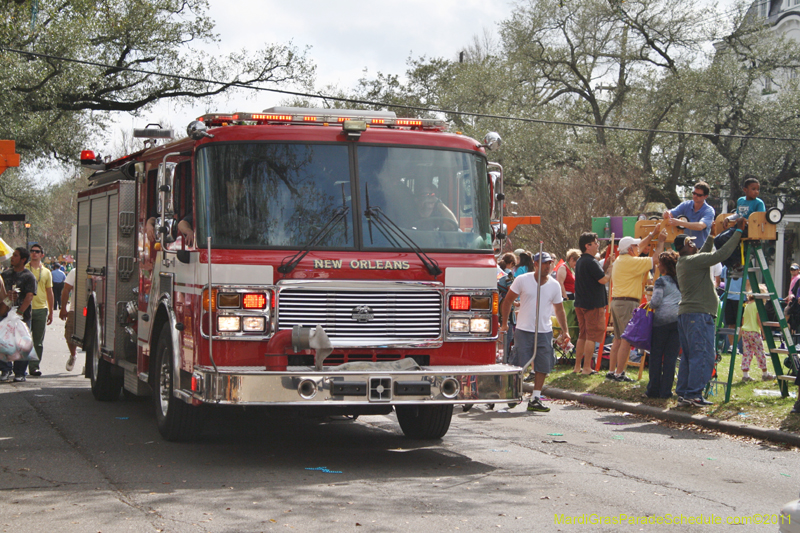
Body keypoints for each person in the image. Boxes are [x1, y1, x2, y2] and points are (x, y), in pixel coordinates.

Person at [674, 217, 746, 407]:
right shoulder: (693, 261)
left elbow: (703, 254)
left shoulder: (686, 261)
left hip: (688, 315)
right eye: (691, 243)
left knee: (689, 356)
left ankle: (684, 393)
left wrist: (712, 236)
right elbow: (721, 255)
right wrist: (738, 232)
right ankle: (694, 394)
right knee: (703, 355)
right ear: (687, 246)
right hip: (698, 315)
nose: (694, 245)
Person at [499, 252, 569, 413]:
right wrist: (504, 323)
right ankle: (513, 392)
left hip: (544, 330)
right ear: (535, 264)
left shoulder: (554, 285)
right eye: (544, 263)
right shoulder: (522, 280)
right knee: (519, 362)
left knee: (543, 364)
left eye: (549, 263)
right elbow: (508, 300)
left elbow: (559, 309)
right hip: (524, 329)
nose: (547, 266)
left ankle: (535, 397)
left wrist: (565, 331)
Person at [607, 230, 667, 382]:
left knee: (618, 339)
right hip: (626, 303)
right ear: (629, 249)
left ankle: (612, 371)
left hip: (618, 302)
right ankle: (619, 373)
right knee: (626, 340)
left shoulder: (621, 259)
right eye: (635, 246)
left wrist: (651, 235)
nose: (638, 248)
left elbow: (638, 248)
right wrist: (660, 241)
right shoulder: (631, 262)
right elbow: (655, 259)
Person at [573, 233, 613, 375]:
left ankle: (577, 366)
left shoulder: (580, 261)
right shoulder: (591, 261)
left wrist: (606, 264)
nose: (597, 245)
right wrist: (610, 272)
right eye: (595, 243)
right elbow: (603, 279)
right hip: (592, 304)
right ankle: (587, 367)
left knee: (583, 334)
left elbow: (596, 275)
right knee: (592, 335)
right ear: (587, 246)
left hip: (581, 303)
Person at [645, 251, 681, 399]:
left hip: (661, 321)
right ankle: (666, 391)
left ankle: (653, 389)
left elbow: (656, 302)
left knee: (656, 356)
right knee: (670, 358)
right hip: (677, 321)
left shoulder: (661, 281)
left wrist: (648, 303)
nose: (658, 266)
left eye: (659, 263)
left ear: (664, 266)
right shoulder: (679, 281)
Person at [0, 247, 37, 383]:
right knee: (4, 342)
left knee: (22, 344)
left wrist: (20, 312)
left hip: (22, 317)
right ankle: (5, 369)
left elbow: (29, 296)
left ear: (23, 259)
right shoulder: (5, 275)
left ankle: (20, 372)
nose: (12, 258)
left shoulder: (29, 276)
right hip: (5, 314)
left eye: (15, 256)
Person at [25, 244, 53, 377]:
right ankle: (21, 367)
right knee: (24, 340)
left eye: (37, 251)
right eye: (32, 251)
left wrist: (51, 311)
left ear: (42, 255)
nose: (34, 253)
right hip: (25, 309)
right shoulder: (24, 269)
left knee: (38, 341)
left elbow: (50, 292)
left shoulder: (47, 272)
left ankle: (34, 366)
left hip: (41, 309)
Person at [740, 288, 775, 382]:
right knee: (760, 352)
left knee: (747, 353)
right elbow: (758, 318)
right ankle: (765, 373)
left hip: (745, 331)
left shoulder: (747, 305)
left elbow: (743, 319)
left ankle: (745, 375)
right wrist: (763, 331)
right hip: (754, 331)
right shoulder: (758, 305)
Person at [59, 267, 78, 372]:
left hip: (94, 311)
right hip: (75, 309)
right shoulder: (75, 271)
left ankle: (89, 363)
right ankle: (73, 355)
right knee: (69, 335)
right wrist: (63, 308)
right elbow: (66, 289)